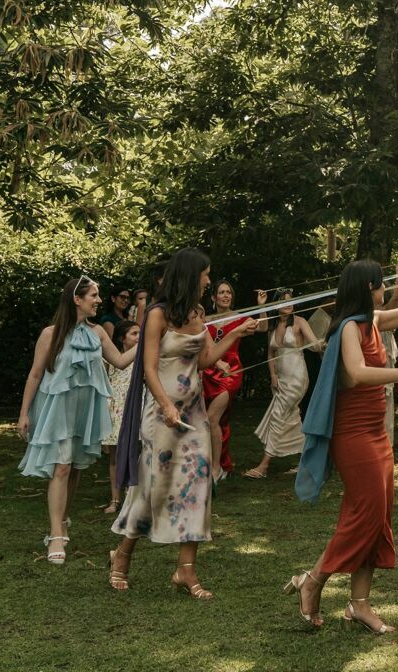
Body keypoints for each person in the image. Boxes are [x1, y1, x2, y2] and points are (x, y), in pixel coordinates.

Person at [289, 256, 398, 634]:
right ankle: (313, 579)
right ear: (367, 289)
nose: (384, 290)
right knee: (365, 515)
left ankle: (359, 606)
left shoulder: (373, 321)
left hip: (376, 433)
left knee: (377, 516)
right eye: (381, 285)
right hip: (353, 436)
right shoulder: (348, 329)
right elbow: (358, 373)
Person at [108, 250, 259, 598]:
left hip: (194, 413)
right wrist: (164, 406)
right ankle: (122, 556)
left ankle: (186, 572)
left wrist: (235, 336)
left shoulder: (198, 314)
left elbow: (204, 358)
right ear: (190, 276)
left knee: (197, 488)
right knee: (153, 488)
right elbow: (147, 368)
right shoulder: (158, 314)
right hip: (162, 415)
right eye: (205, 275)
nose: (209, 280)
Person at [17, 276, 137, 563]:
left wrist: (147, 339)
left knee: (74, 468)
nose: (98, 300)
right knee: (61, 467)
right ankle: (56, 534)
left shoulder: (98, 333)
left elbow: (120, 362)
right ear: (77, 299)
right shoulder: (51, 333)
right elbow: (35, 374)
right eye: (93, 295)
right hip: (58, 409)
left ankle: (62, 519)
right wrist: (23, 413)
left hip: (86, 410)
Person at [244, 289, 316, 478]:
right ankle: (305, 462)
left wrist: (326, 342)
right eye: (283, 301)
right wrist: (273, 377)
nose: (288, 304)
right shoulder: (273, 326)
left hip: (297, 377)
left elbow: (315, 345)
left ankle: (264, 466)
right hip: (282, 378)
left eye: (290, 301)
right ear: (276, 305)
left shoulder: (300, 322)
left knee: (278, 415)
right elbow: (270, 354)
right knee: (291, 417)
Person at [201, 280, 246, 483]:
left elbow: (262, 327)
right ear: (214, 297)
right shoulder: (204, 320)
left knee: (212, 418)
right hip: (208, 370)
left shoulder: (240, 318)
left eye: (229, 292)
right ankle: (222, 462)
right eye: (221, 292)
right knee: (218, 420)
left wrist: (263, 307)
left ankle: (216, 468)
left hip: (231, 371)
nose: (226, 295)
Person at [102, 320, 139, 515]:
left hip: (135, 409)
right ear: (122, 338)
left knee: (136, 454)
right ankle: (115, 499)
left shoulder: (143, 358)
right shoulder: (111, 360)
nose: (139, 337)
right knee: (116, 457)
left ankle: (134, 497)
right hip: (116, 410)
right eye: (134, 333)